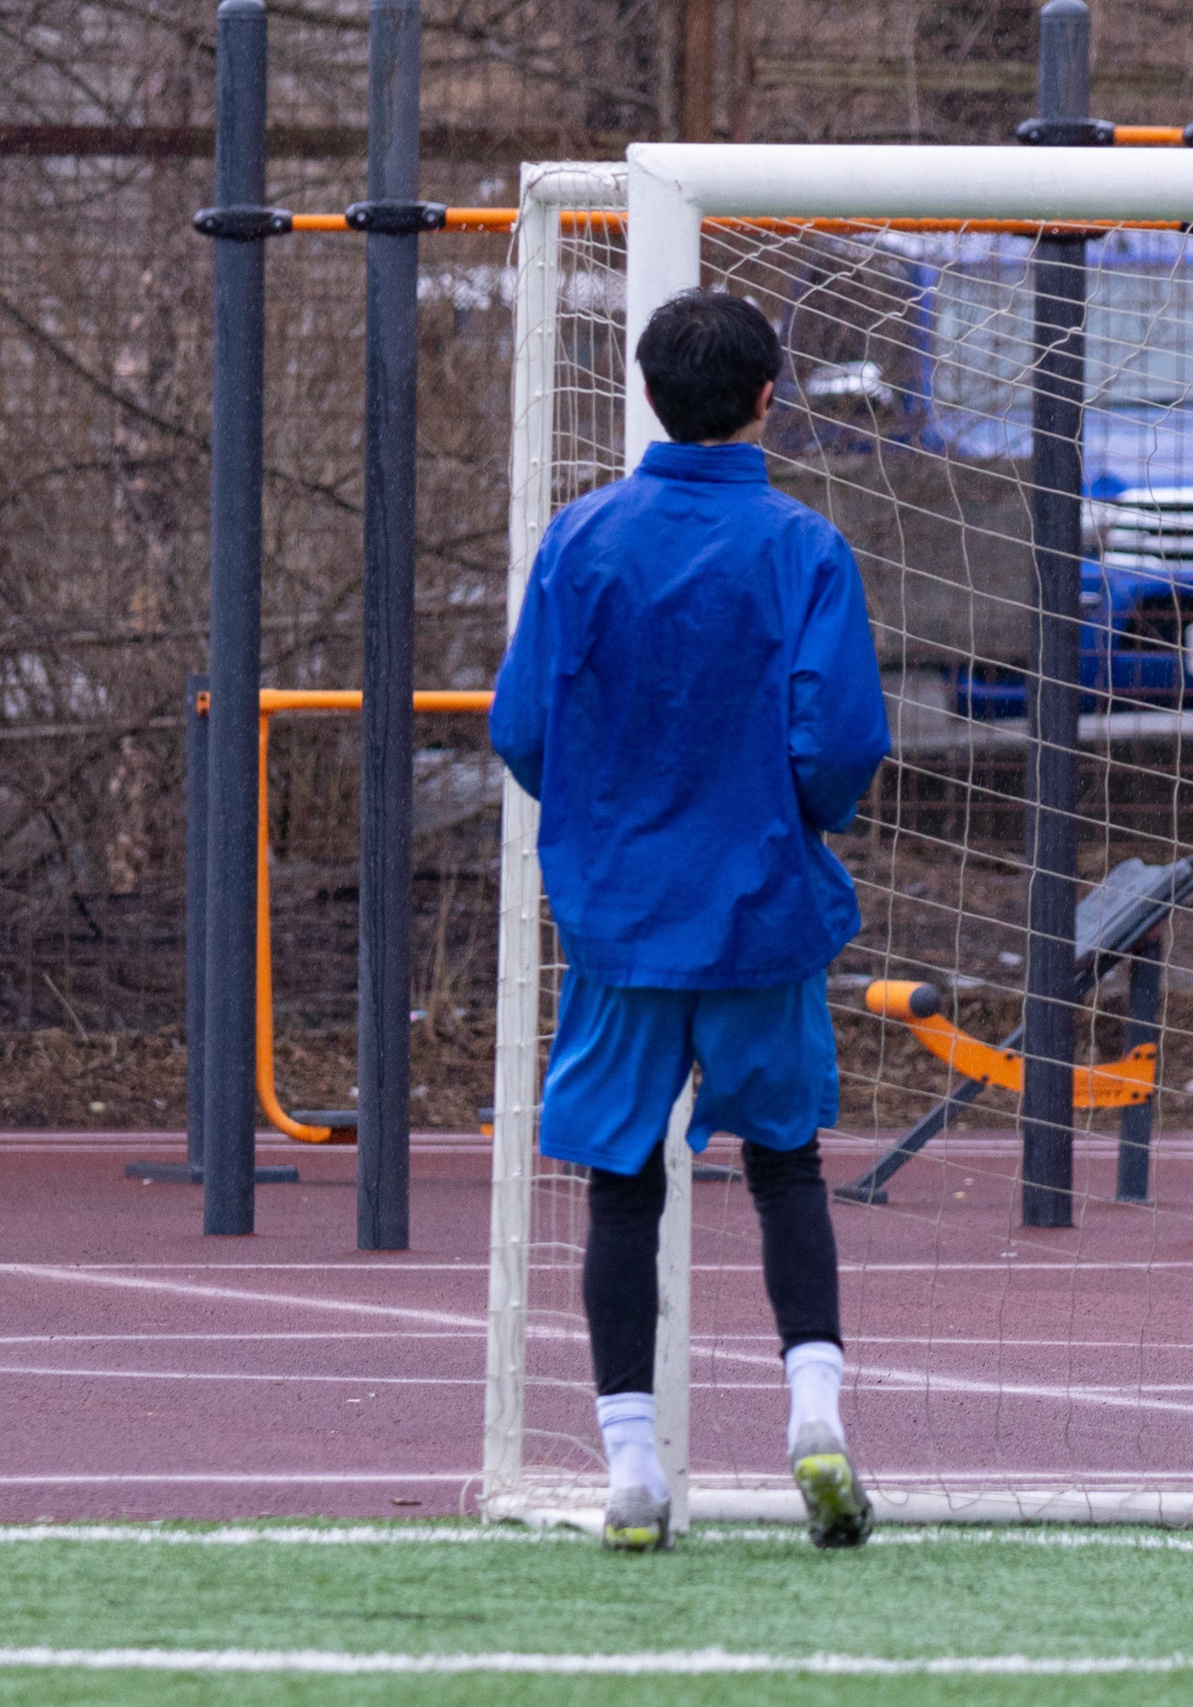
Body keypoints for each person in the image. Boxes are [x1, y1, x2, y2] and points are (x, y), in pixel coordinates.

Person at [491, 288, 892, 1552]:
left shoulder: (578, 539)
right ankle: (815, 1419)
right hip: (761, 904)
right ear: (770, 397)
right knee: (784, 1167)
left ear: (648, 396)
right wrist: (793, 815)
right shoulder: (802, 545)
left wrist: (608, 822)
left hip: (623, 920)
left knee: (621, 1185)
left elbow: (521, 728)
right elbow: (840, 742)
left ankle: (630, 1471)